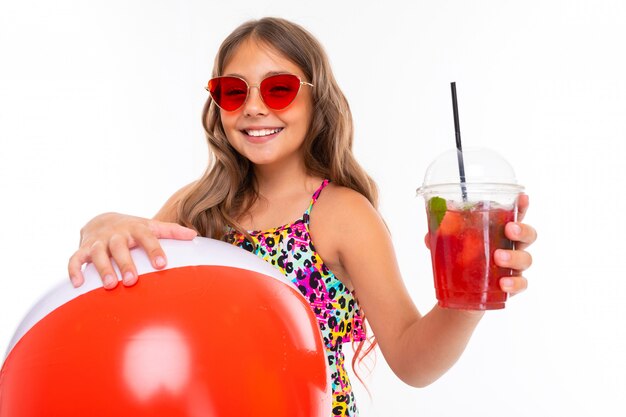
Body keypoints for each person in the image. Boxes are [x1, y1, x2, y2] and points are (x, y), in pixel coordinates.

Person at [67, 17, 537, 417]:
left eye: (278, 88)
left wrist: (467, 297)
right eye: (233, 92)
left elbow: (413, 362)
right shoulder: (194, 209)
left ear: (317, 100)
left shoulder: (342, 214)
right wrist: (103, 223)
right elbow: (134, 313)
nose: (254, 106)